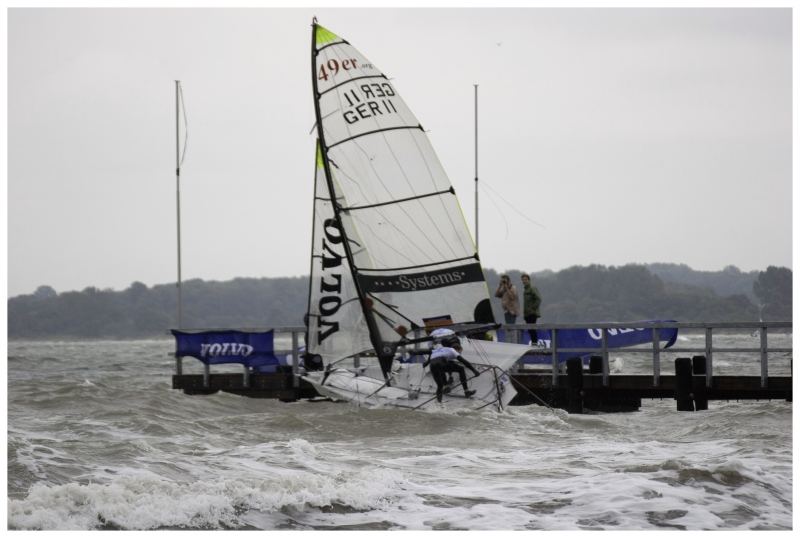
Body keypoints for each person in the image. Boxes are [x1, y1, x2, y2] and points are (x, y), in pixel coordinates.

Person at [423, 329, 480, 402]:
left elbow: (432, 353)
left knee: (439, 383)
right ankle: (465, 391)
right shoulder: (451, 349)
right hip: (441, 355)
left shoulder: (440, 347)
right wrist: (474, 371)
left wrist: (427, 362)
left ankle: (439, 401)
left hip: (433, 364)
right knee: (459, 368)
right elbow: (464, 361)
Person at [521, 273, 542, 344]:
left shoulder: (532, 288)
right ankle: (534, 344)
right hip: (527, 314)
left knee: (532, 329)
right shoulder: (525, 290)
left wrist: (533, 308)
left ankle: (535, 344)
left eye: (525, 279)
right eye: (523, 280)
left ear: (529, 280)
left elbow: (538, 299)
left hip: (532, 313)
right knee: (530, 330)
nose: (524, 281)